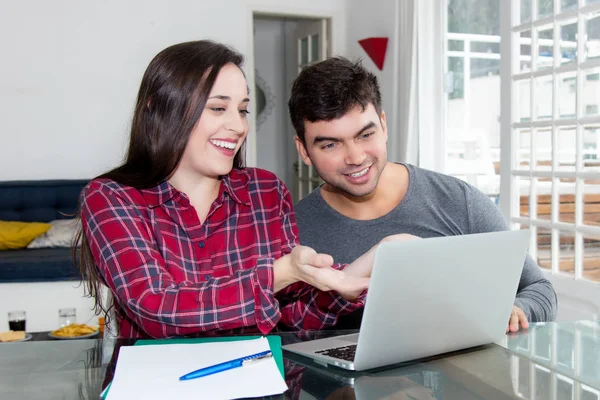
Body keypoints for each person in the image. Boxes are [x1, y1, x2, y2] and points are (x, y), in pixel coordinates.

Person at [74, 41, 375, 339]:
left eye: (242, 110)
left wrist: (351, 278)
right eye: (218, 108)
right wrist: (279, 274)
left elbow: (287, 319)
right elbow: (155, 307)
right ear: (159, 108)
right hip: (159, 384)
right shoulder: (111, 197)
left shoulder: (266, 191)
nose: (238, 126)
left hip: (257, 382)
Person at [288, 57, 558, 333]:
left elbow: (538, 289)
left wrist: (515, 311)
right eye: (331, 144)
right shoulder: (291, 230)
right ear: (304, 150)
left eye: (365, 135)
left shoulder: (458, 201)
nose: (355, 157)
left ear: (383, 125)